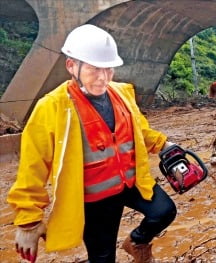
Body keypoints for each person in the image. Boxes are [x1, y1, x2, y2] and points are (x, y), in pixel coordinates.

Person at [7, 24, 177, 263]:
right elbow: (32, 166)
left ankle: (137, 242)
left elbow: (138, 132)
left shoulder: (122, 93)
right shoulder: (52, 107)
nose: (102, 77)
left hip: (131, 182)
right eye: (94, 69)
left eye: (108, 69)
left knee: (164, 211)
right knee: (103, 257)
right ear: (71, 66)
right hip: (95, 199)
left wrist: (165, 144)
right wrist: (28, 221)